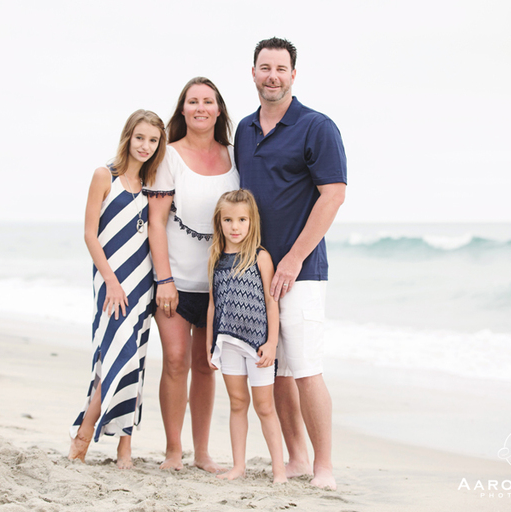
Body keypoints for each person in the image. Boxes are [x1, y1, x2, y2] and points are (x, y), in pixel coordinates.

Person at [234, 37, 347, 490]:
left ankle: (324, 466)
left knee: (305, 368)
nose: (272, 76)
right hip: (255, 270)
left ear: (294, 75)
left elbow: (333, 194)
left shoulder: (317, 127)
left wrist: (294, 259)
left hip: (300, 272)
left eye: (281, 69)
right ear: (254, 73)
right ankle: (296, 457)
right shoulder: (243, 129)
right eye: (265, 68)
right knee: (275, 367)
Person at [144, 77, 239, 472]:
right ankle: (172, 451)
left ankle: (202, 453)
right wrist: (163, 279)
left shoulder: (236, 156)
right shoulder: (168, 155)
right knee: (176, 361)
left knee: (205, 366)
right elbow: (156, 221)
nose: (201, 107)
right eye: (192, 101)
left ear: (219, 110)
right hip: (176, 282)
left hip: (218, 285)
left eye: (208, 101)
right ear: (183, 110)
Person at [68, 109, 167, 468]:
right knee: (112, 357)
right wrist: (110, 280)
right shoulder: (104, 175)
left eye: (153, 140)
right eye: (140, 137)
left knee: (134, 361)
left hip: (143, 284)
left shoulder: (154, 186)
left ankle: (124, 448)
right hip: (110, 282)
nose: (145, 145)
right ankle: (82, 436)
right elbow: (89, 234)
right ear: (128, 136)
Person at [206, 189, 286, 484]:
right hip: (227, 343)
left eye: (242, 220)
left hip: (257, 345)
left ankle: (279, 471)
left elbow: (271, 302)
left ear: (252, 222)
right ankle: (238, 466)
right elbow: (213, 304)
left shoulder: (260, 257)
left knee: (265, 407)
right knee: (237, 403)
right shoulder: (215, 257)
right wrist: (209, 344)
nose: (235, 227)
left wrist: (272, 343)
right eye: (228, 220)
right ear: (220, 222)